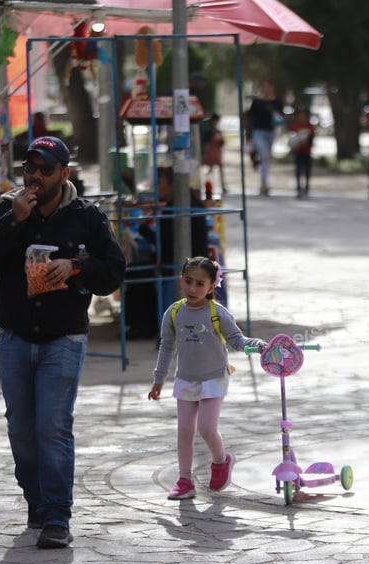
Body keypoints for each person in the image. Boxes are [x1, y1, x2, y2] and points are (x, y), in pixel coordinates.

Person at [0, 136, 126, 548]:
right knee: (21, 430)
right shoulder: (5, 208)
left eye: (45, 169)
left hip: (64, 338)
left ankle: (57, 516)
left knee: (53, 428)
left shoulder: (86, 216)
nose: (35, 176)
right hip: (14, 338)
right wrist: (14, 220)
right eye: (29, 168)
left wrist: (74, 266)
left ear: (64, 174)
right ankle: (36, 501)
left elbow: (114, 271)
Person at [148, 257, 266, 499]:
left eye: (200, 284)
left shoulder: (217, 313)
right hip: (186, 379)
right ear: (181, 280)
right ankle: (184, 481)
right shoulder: (174, 313)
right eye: (188, 281)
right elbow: (166, 347)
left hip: (214, 378)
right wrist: (159, 379)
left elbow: (237, 340)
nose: (192, 289)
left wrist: (257, 345)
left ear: (212, 287)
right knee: (184, 430)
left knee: (206, 428)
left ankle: (221, 461)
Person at [124, 166, 209, 340]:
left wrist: (144, 230)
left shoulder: (179, 207)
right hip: (180, 260)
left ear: (172, 185)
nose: (157, 187)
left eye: (160, 183)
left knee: (134, 273)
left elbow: (168, 244)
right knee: (137, 270)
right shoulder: (179, 204)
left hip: (182, 263)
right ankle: (143, 324)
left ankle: (143, 326)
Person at [246, 80, 283, 196]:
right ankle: (264, 184)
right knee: (265, 156)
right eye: (264, 86)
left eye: (269, 86)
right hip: (259, 132)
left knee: (266, 159)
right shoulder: (257, 102)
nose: (266, 89)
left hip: (271, 132)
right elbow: (250, 119)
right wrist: (249, 135)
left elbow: (281, 117)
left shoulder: (277, 102)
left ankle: (264, 180)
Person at [288, 108, 315, 199]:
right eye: (300, 116)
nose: (302, 118)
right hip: (298, 152)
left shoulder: (310, 126)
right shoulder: (295, 127)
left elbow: (312, 139)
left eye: (304, 116)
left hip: (307, 152)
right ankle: (299, 189)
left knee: (307, 171)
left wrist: (307, 141)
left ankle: (307, 189)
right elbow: (291, 140)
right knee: (298, 171)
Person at [201, 113, 227, 196]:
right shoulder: (208, 131)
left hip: (217, 152)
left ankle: (223, 186)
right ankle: (209, 186)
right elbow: (205, 139)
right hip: (210, 151)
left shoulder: (218, 131)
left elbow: (222, 142)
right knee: (210, 170)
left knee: (220, 169)